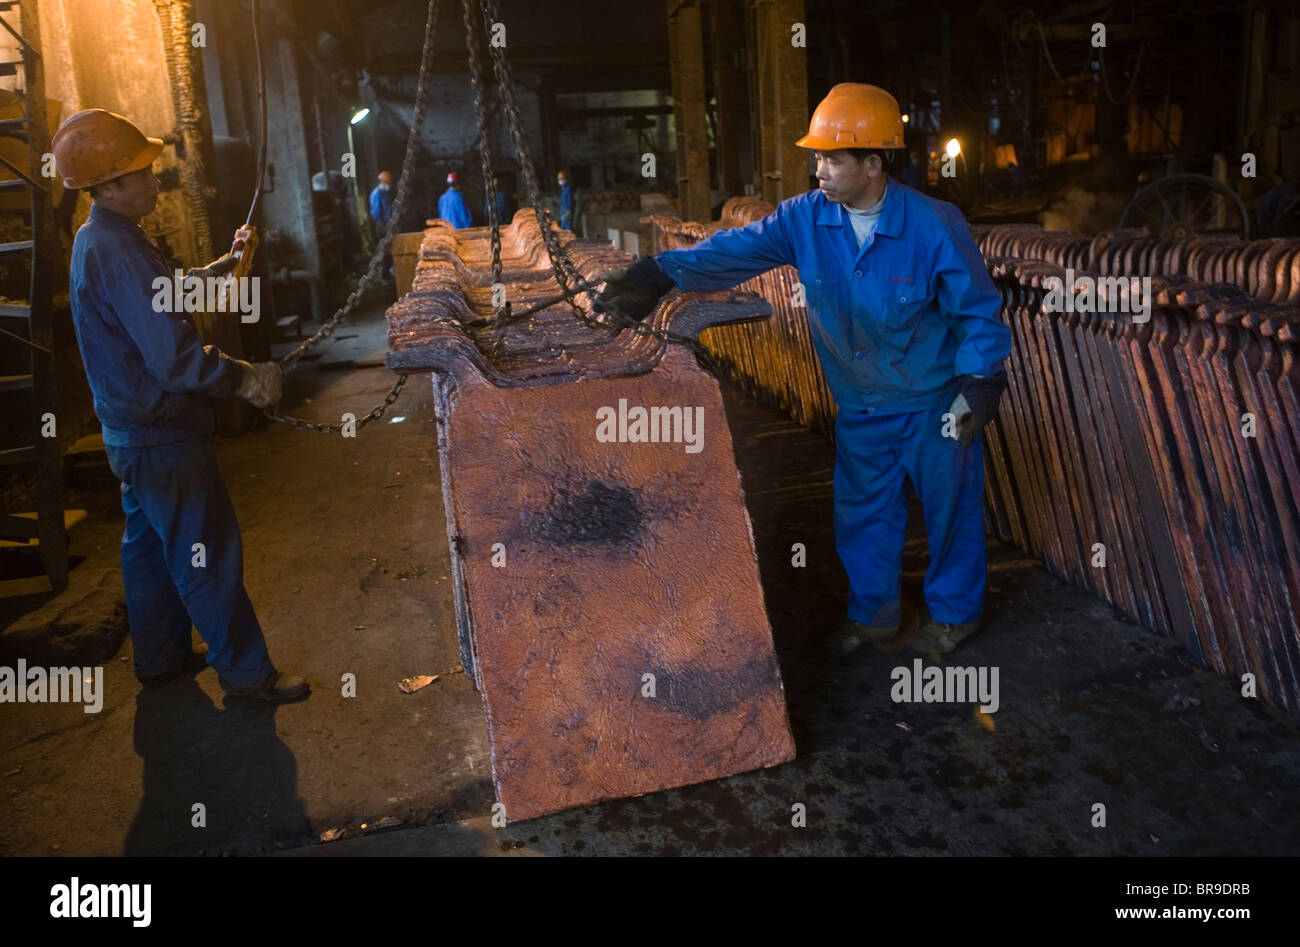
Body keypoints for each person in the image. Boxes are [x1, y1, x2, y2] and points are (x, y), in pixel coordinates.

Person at [592, 84, 1011, 656]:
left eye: (833, 159)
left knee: (951, 513)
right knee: (863, 516)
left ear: (872, 163)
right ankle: (876, 618)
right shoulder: (805, 220)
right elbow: (732, 252)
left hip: (933, 403)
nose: (820, 170)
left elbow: (977, 310)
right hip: (861, 405)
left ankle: (955, 615)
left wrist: (979, 384)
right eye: (817, 157)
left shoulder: (934, 224)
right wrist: (657, 272)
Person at [52, 108, 309, 702]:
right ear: (108, 184)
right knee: (206, 551)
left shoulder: (109, 239)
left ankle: (161, 660)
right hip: (161, 434)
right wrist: (247, 380)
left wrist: (226, 263)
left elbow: (165, 295)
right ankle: (248, 675)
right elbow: (174, 361)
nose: (156, 179)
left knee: (146, 550)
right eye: (143, 171)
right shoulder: (114, 249)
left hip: (132, 434)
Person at [368, 170, 396, 278]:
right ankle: (385, 274)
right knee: (385, 251)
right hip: (381, 225)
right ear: (382, 183)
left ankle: (389, 271)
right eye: (388, 184)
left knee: (389, 249)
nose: (389, 186)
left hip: (387, 224)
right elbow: (375, 212)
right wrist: (382, 226)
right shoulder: (376, 194)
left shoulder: (385, 193)